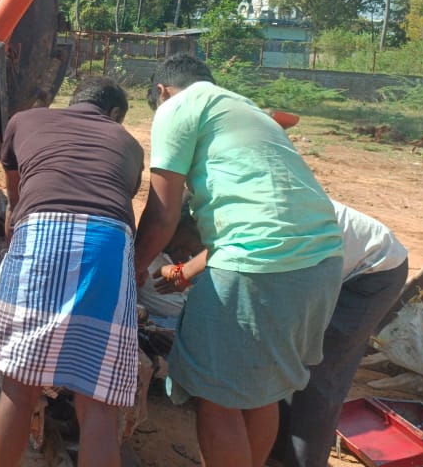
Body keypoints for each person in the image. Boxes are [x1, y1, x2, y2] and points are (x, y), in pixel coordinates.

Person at [133, 54, 344, 467]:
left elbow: (162, 213)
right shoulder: (248, 110)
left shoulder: (179, 105)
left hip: (260, 266)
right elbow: (254, 220)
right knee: (260, 393)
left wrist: (129, 270)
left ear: (162, 92)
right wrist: (186, 272)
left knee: (216, 399)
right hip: (322, 263)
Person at [156, 199, 409, 467]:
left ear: (202, 228)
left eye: (181, 248)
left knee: (320, 374)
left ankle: (304, 462)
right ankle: (275, 454)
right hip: (326, 266)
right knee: (283, 364)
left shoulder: (250, 225)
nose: (182, 256)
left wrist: (184, 273)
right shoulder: (235, 222)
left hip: (372, 270)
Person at [0, 76, 144, 467]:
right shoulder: (129, 144)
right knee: (98, 404)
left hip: (41, 234)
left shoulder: (25, 120)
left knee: (19, 389)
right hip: (108, 243)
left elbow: (16, 197)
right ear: (114, 114)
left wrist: (15, 236)